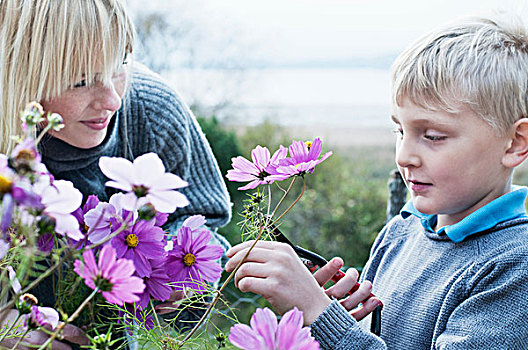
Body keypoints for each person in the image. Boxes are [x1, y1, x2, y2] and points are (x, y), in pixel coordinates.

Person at [226, 15, 528, 349]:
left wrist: (319, 311)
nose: (404, 156)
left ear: (515, 143)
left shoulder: (515, 266)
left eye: (433, 136)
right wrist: (339, 316)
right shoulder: (402, 232)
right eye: (400, 131)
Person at [0, 0, 231, 348]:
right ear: (17, 72)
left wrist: (179, 275)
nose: (112, 100)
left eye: (120, 63)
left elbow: (206, 219)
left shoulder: (152, 113)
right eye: (80, 81)